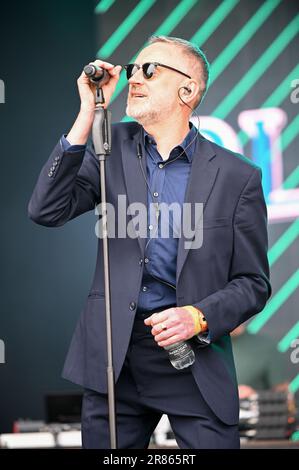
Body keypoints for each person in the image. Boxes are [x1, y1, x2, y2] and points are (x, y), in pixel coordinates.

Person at [28, 36, 271, 449]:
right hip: (115, 358)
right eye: (133, 69)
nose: (134, 78)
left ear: (188, 90)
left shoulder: (237, 176)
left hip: (191, 354)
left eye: (150, 69)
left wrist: (198, 316)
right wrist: (88, 113)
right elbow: (46, 210)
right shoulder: (111, 149)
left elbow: (253, 283)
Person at [231, 324, 289, 399]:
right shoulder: (211, 348)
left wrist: (255, 396)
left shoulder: (265, 347)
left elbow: (286, 397)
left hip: (251, 409)